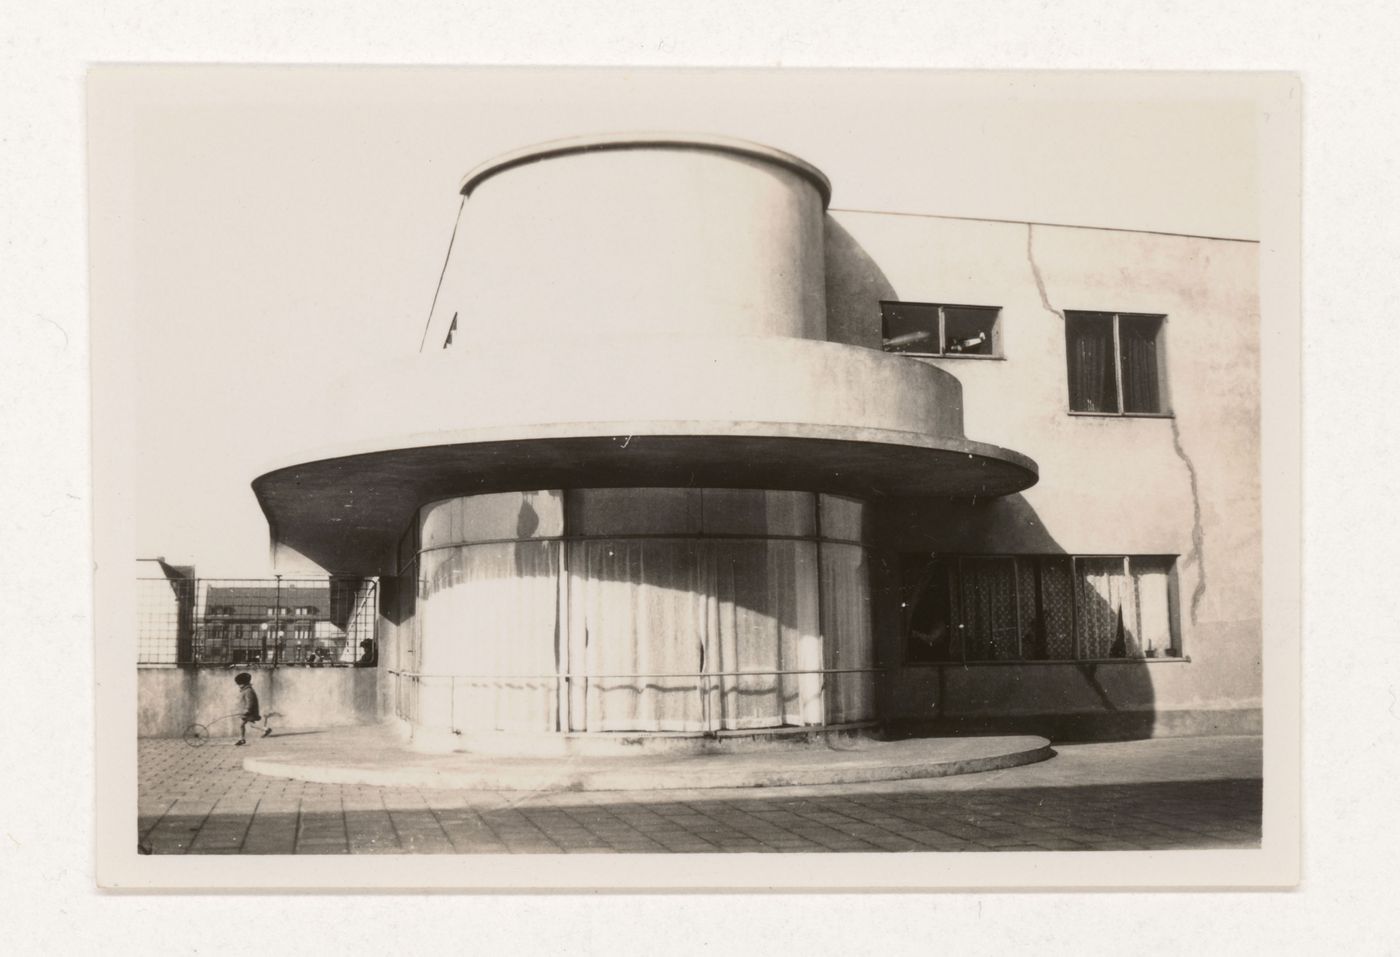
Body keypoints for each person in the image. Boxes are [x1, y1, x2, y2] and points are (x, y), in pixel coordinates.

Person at [233, 672, 273, 745]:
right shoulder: (246, 690)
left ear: (244, 683)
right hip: (248, 711)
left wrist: (246, 710)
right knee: (250, 724)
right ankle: (266, 729)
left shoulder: (248, 691)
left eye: (239, 684)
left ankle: (242, 739)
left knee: (241, 725)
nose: (238, 685)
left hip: (249, 712)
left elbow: (250, 702)